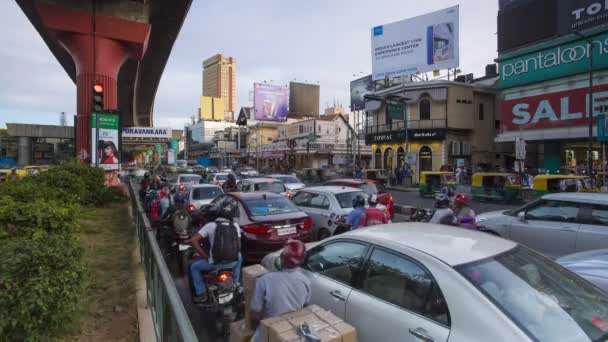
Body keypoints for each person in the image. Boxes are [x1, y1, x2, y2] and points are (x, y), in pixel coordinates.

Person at [251, 240, 310, 342]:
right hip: (293, 331)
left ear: (281, 257)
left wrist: (257, 329)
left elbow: (255, 314)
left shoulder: (264, 280)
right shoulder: (305, 281)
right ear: (301, 261)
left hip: (271, 330)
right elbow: (305, 306)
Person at [189, 203, 242, 304]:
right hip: (232, 264)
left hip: (214, 264)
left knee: (194, 267)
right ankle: (236, 283)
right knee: (239, 256)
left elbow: (193, 240)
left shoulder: (210, 226)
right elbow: (239, 246)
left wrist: (205, 256)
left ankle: (201, 293)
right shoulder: (235, 226)